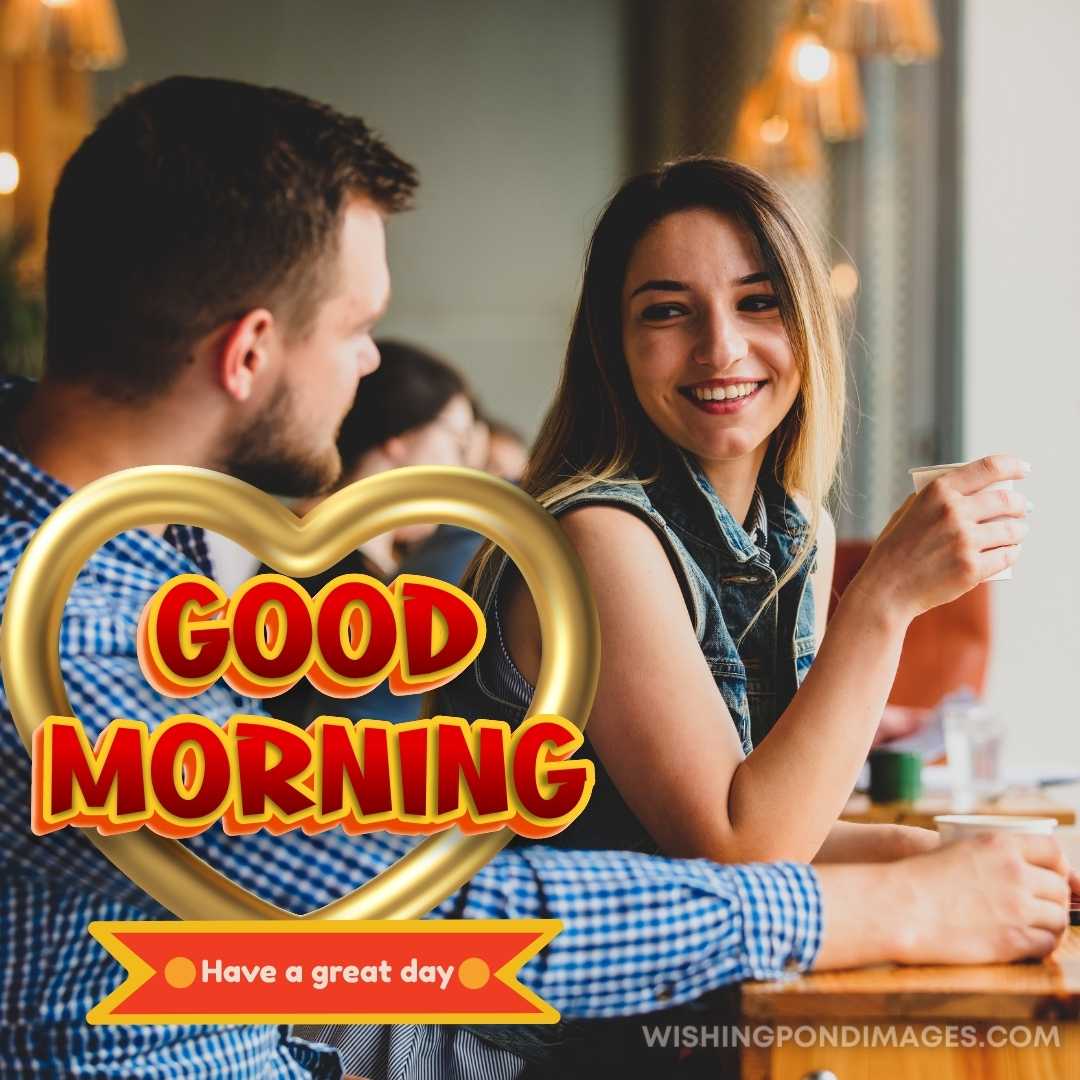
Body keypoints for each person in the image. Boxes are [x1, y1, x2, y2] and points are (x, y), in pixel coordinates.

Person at [0, 79, 1071, 1080]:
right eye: (361, 329)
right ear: (248, 354)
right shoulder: (65, 627)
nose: (375, 366)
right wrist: (894, 912)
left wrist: (946, 876)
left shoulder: (122, 553)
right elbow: (445, 926)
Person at [442, 157, 1030, 867]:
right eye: (666, 311)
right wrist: (884, 598)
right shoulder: (595, 538)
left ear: (809, 325)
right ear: (614, 346)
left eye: (758, 302)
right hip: (552, 972)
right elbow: (740, 850)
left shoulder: (799, 530)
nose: (720, 348)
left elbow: (789, 826)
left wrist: (965, 857)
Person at [272, 338, 480, 725]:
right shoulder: (318, 566)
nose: (463, 471)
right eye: (458, 444)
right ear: (401, 437)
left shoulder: (313, 550)